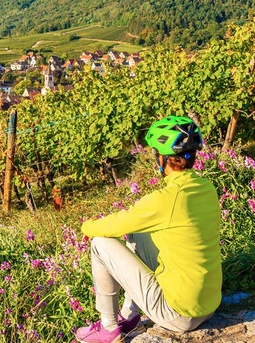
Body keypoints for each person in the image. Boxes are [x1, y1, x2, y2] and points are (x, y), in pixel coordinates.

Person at [75, 116, 222, 343]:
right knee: (139, 232)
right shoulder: (206, 188)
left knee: (100, 243)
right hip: (208, 306)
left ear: (161, 158)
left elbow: (112, 226)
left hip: (178, 315)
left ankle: (109, 328)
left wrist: (87, 226)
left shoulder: (165, 199)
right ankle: (130, 317)